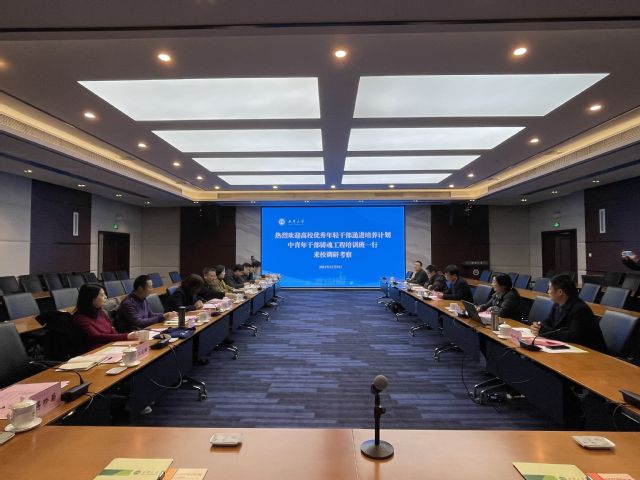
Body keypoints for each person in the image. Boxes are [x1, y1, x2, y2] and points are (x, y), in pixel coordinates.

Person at [530, 274, 606, 352]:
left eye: (550, 289)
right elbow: (548, 321)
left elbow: (573, 336)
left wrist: (543, 331)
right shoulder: (557, 304)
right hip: (571, 347)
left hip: (590, 351)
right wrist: (538, 326)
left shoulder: (580, 309)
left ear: (560, 292)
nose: (547, 291)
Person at [72, 284, 140, 352]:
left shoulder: (100, 312)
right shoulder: (80, 318)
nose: (105, 297)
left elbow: (112, 330)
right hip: (95, 351)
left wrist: (125, 339)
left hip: (111, 346)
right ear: (91, 298)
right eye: (102, 295)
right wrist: (126, 336)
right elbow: (96, 337)